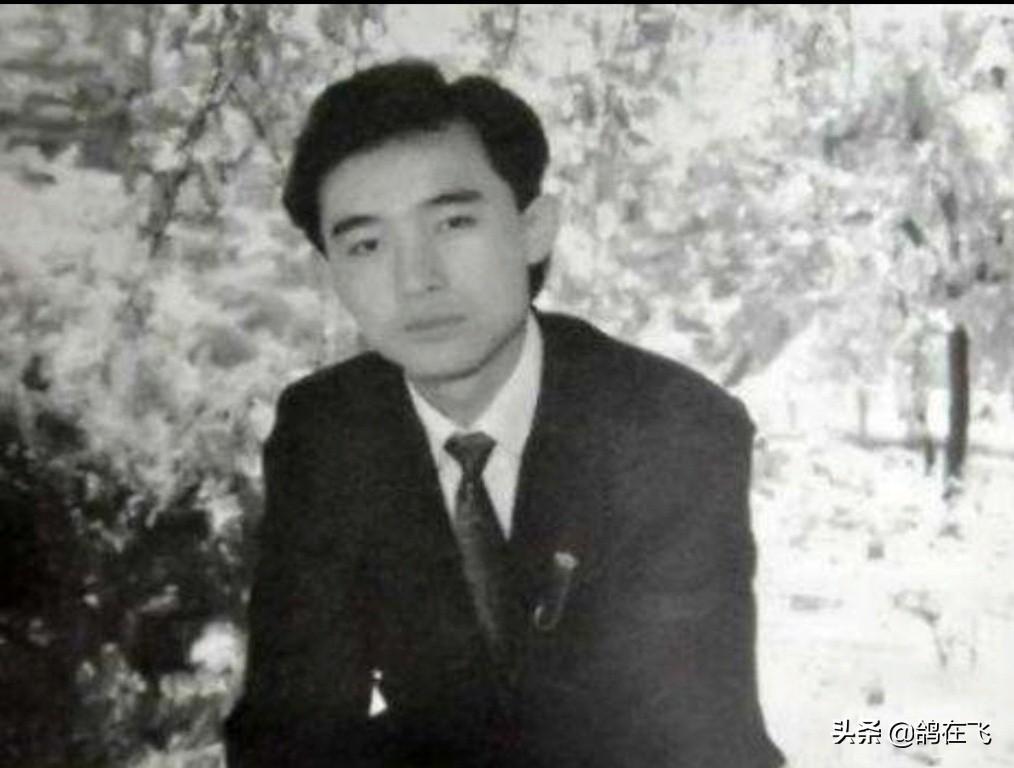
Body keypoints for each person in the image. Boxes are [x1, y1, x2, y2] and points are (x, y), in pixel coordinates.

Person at [224, 59, 784, 768]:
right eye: (366, 244)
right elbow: (290, 731)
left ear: (533, 229)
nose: (416, 279)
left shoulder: (671, 429)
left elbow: (699, 738)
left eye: (454, 222)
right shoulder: (326, 431)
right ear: (331, 272)